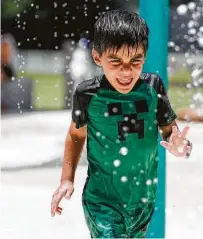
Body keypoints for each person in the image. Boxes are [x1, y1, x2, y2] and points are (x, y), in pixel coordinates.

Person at [51, 10, 192, 238]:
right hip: (102, 202)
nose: (126, 70)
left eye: (135, 60)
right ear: (98, 57)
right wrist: (66, 180)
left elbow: (170, 131)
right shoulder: (88, 94)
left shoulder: (152, 88)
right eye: (115, 61)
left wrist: (180, 145)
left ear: (144, 56)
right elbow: (76, 136)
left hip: (142, 201)